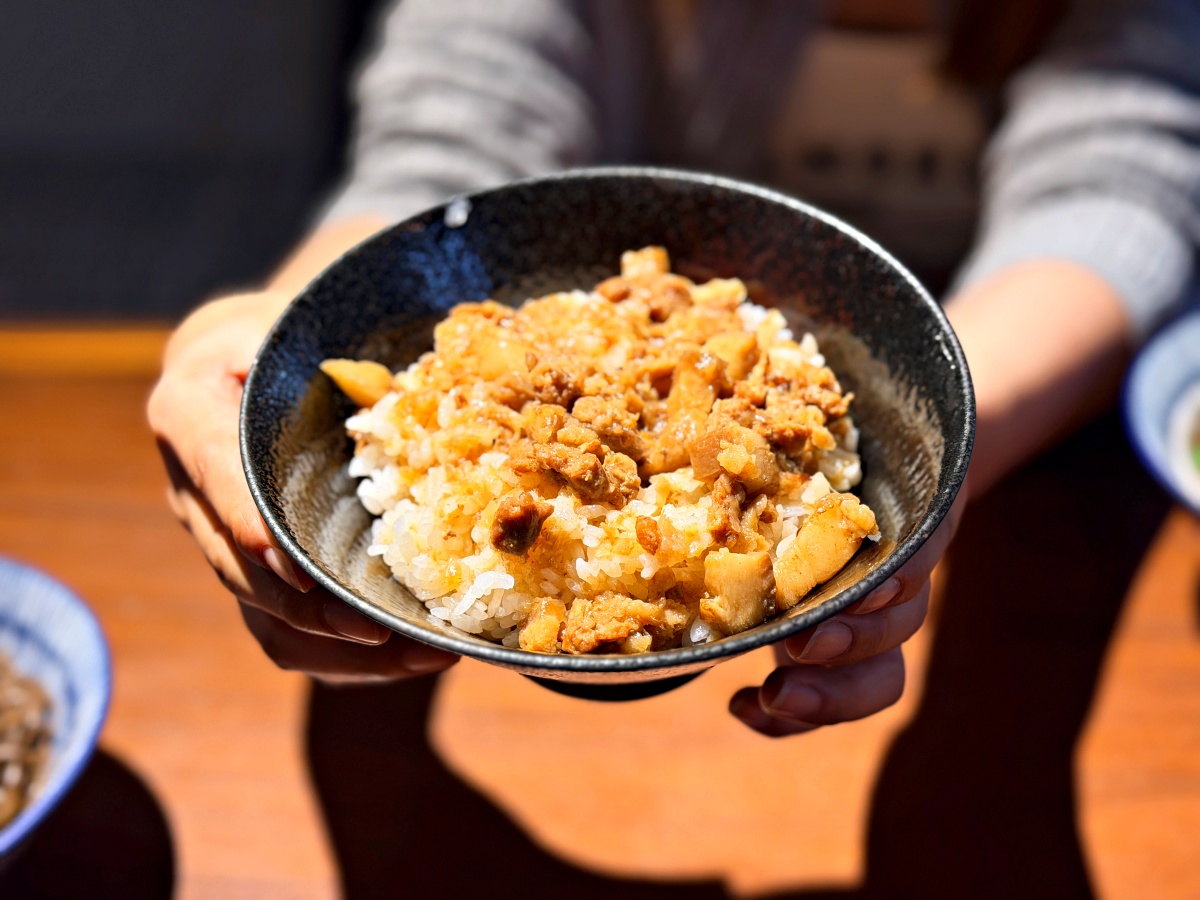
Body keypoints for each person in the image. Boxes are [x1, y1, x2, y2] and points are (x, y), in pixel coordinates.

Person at [149, 0, 1199, 736]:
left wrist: (942, 421)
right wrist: (272, 335)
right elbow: (457, 125)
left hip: (1044, 483)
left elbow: (1123, 182)